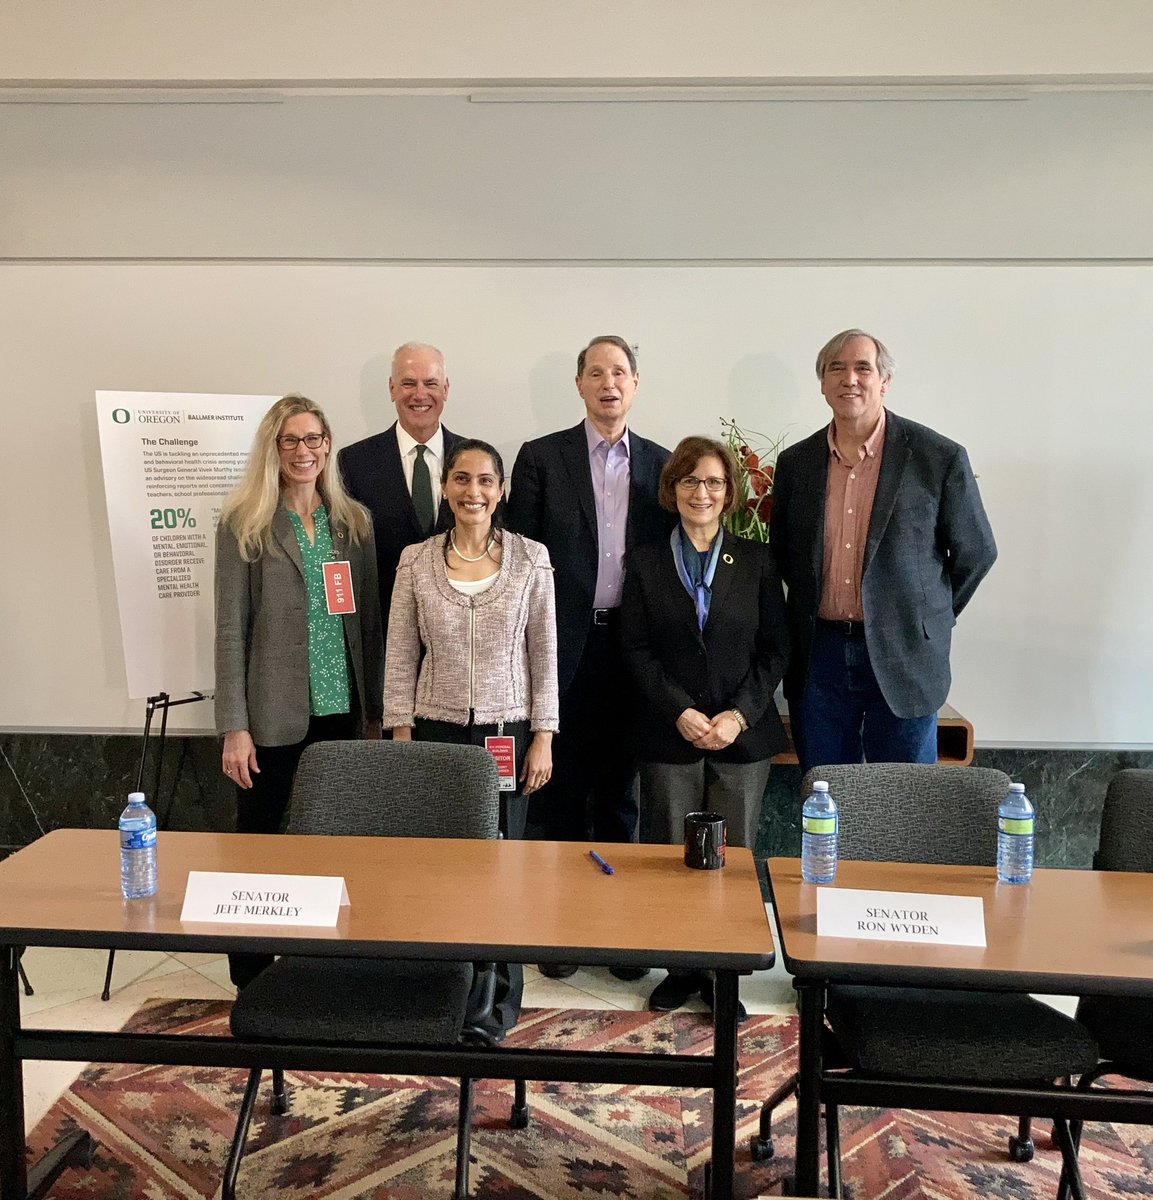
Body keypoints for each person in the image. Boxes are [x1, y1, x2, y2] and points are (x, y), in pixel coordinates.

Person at [507, 334, 672, 982]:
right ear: (579, 384)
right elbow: (519, 558)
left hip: (632, 649)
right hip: (560, 646)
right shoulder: (541, 458)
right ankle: (561, 930)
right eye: (596, 373)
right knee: (559, 794)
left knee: (619, 797)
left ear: (636, 384)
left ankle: (615, 931)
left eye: (620, 373)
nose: (609, 384)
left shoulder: (661, 464)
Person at [383, 438, 559, 1038]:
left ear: (501, 489)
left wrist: (545, 735)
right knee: (439, 869)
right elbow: (400, 652)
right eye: (461, 479)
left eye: (485, 480)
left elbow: (544, 654)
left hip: (507, 733)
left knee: (503, 870)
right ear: (445, 488)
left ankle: (499, 1001)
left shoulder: (532, 559)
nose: (473, 492)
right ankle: (440, 991)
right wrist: (400, 730)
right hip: (435, 733)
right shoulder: (415, 560)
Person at [770, 329, 997, 772]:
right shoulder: (797, 463)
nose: (849, 378)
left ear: (885, 381)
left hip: (905, 656)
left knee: (905, 799)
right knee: (826, 793)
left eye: (863, 368)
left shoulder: (937, 457)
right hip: (819, 657)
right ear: (822, 383)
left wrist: (928, 618)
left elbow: (977, 552)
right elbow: (784, 554)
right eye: (836, 368)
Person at [215, 394, 384, 989]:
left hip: (342, 707)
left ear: (328, 446)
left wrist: (375, 712)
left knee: (335, 841)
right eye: (290, 440)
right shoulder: (245, 524)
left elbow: (368, 625)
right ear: (273, 448)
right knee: (260, 842)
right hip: (271, 713)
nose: (303, 451)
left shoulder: (353, 524)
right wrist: (234, 726)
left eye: (313, 439)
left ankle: (327, 959)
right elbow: (230, 631)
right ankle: (251, 972)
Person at [622, 436, 789, 1016]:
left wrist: (738, 715)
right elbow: (635, 649)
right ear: (672, 489)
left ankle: (725, 974)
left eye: (715, 482)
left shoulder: (757, 561)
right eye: (691, 481)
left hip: (742, 736)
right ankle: (681, 967)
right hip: (669, 732)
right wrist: (679, 711)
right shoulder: (645, 561)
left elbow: (776, 650)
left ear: (729, 493)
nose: (702, 492)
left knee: (732, 860)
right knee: (671, 855)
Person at [338, 342, 465, 629]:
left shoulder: (475, 461)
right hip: (384, 628)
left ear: (446, 389)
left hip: (459, 630)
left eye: (430, 383)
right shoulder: (354, 463)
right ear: (392, 388)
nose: (420, 394)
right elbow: (346, 556)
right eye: (409, 383)